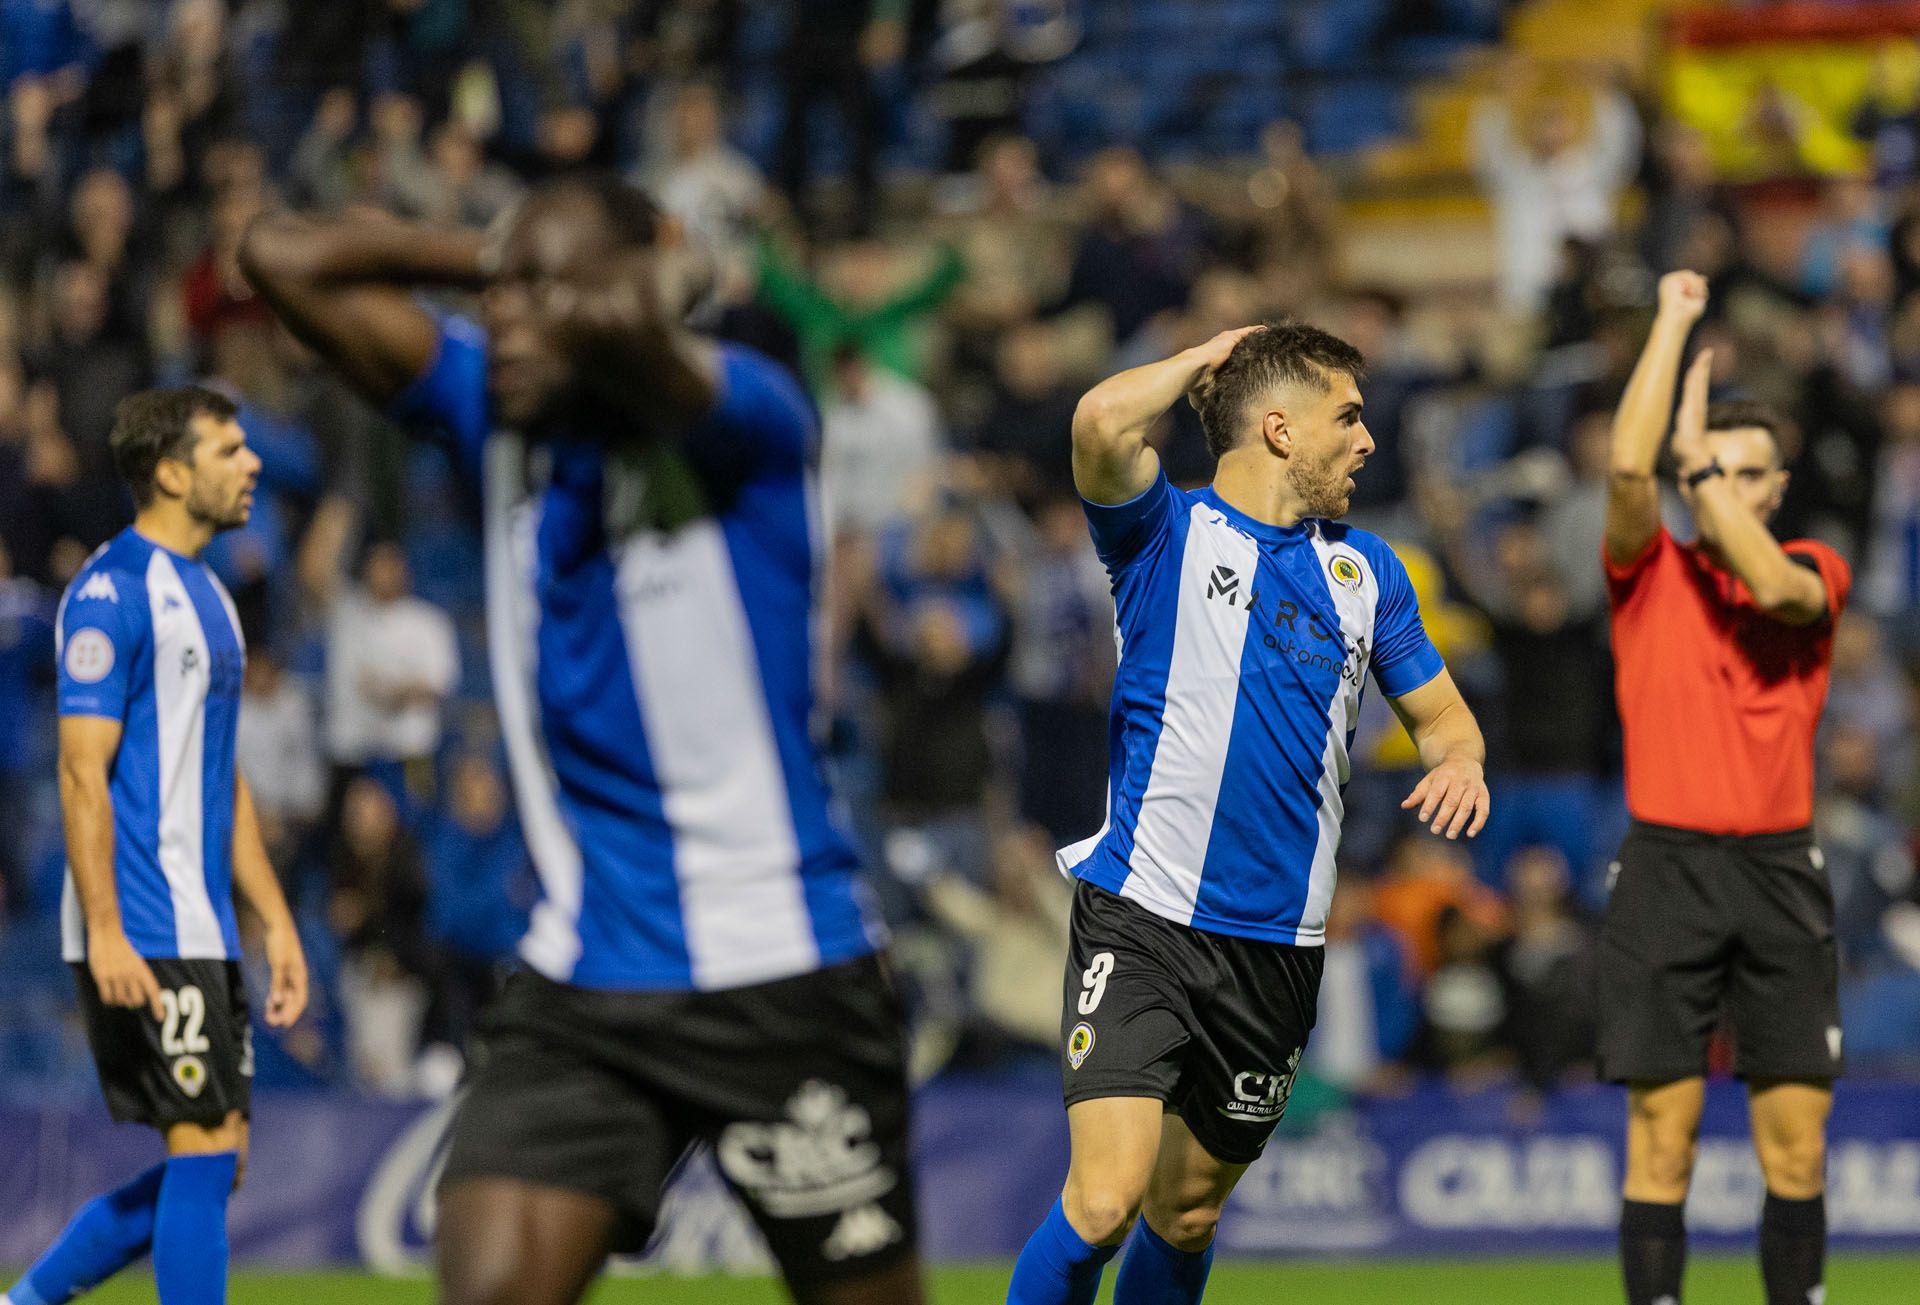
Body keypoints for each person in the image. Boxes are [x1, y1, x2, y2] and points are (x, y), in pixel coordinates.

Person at [239, 177, 922, 1305]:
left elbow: (630, 341)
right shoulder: (492, 405)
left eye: (537, 296)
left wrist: (644, 271)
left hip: (782, 971)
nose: (503, 321)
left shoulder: (749, 414)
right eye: (495, 299)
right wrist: (487, 251)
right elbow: (278, 253)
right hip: (584, 982)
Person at [1007, 322, 1491, 1305]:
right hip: (1143, 918)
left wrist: (1463, 762)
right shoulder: (1164, 535)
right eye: (1346, 416)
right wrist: (1205, 357)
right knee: (1103, 1202)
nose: (1366, 440)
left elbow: (1445, 719)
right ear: (1278, 427)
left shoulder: (1369, 574)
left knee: (1185, 1214)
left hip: (1277, 952)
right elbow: (1100, 419)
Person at [3, 387, 308, 1305]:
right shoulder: (108, 594)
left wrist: (276, 920)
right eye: (227, 449)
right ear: (172, 472)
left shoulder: (213, 593)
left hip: (203, 918)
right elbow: (80, 773)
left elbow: (225, 779)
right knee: (205, 1151)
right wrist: (104, 929)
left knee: (219, 1163)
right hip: (141, 912)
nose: (251, 464)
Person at [1601, 270, 1851, 1305]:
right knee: (1662, 1141)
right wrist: (1670, 320)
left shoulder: (1814, 569)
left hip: (1779, 872)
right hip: (1667, 872)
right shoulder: (1649, 570)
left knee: (1795, 1148)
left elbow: (1778, 586)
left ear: (1776, 488)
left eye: (1753, 475)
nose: (1731, 490)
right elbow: (1626, 464)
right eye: (1720, 472)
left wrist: (1697, 464)